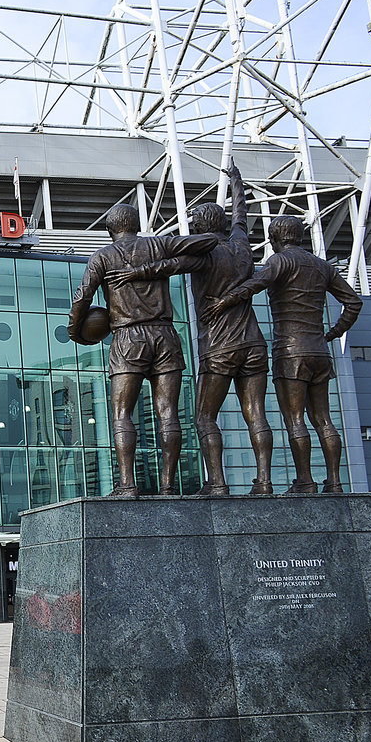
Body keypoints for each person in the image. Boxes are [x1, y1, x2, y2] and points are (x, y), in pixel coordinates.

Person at [109, 163, 272, 495]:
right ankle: (265, 482)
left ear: (201, 226)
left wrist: (134, 274)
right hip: (254, 343)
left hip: (219, 346)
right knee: (256, 412)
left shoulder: (205, 252)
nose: (193, 226)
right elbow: (240, 214)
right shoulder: (240, 243)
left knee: (204, 417)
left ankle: (218, 484)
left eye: (195, 223)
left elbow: (168, 266)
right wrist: (237, 184)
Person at [68, 204, 218, 495]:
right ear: (136, 225)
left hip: (128, 337)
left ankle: (127, 485)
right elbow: (209, 240)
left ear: (110, 230)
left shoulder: (103, 256)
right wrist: (163, 264)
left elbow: (83, 296)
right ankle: (168, 486)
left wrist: (75, 332)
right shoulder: (159, 244)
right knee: (168, 412)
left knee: (123, 413)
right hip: (165, 334)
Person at [206, 214, 362, 493]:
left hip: (291, 353)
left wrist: (225, 300)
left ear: (275, 239)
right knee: (324, 419)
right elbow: (354, 302)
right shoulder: (322, 266)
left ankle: (305, 480)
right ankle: (335, 481)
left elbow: (254, 284)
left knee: (296, 419)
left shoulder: (279, 261)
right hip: (319, 351)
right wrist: (333, 332)